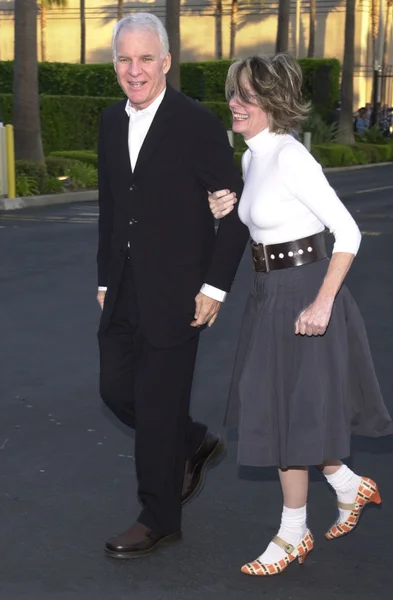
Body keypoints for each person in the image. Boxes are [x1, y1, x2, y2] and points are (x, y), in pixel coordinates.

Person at [208, 53, 393, 576]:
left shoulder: (292, 156)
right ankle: (347, 485)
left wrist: (323, 301)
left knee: (289, 417)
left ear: (272, 102)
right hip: (268, 296)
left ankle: (292, 535)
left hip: (307, 295)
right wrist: (231, 204)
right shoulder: (251, 159)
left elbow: (348, 232)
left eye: (247, 95)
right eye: (233, 93)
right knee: (279, 412)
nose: (235, 103)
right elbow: (265, 215)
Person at [97, 13, 248, 559]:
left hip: (180, 295)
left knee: (157, 407)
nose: (134, 70)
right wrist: (101, 278)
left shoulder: (194, 123)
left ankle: (158, 517)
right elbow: (110, 208)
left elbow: (236, 213)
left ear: (165, 62)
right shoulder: (111, 121)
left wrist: (215, 288)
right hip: (122, 288)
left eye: (144, 59)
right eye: (124, 59)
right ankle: (192, 441)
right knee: (115, 390)